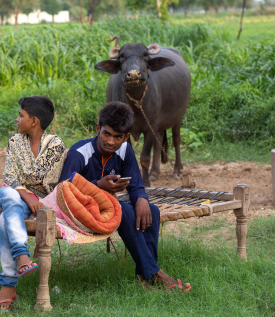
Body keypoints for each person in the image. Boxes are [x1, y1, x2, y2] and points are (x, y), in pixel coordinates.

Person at [58, 101, 191, 292]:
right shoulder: (80, 153)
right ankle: (156, 274)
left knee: (150, 210)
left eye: (118, 137)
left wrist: (142, 199)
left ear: (126, 137)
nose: (111, 141)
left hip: (108, 207)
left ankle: (143, 278)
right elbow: (63, 189)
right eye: (106, 134)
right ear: (98, 129)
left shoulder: (124, 149)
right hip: (81, 209)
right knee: (124, 209)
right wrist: (98, 185)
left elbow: (136, 184)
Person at [0, 96, 66, 311]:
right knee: (7, 193)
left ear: (34, 121)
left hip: (35, 201)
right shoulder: (15, 141)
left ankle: (8, 287)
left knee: (7, 217)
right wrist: (27, 194)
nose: (16, 119)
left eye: (21, 115)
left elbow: (44, 179)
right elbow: (9, 176)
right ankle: (22, 255)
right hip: (15, 196)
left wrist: (23, 187)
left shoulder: (55, 145)